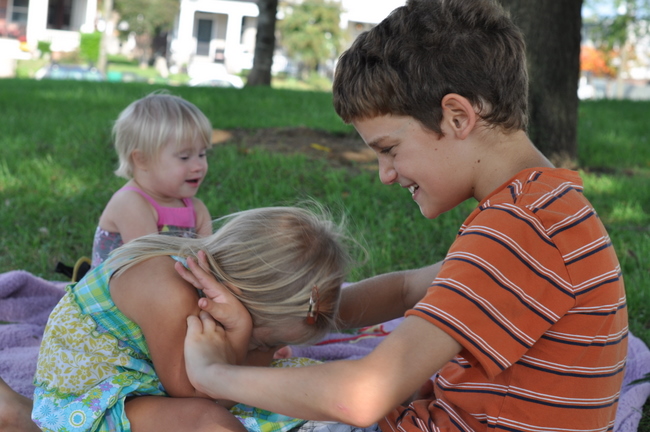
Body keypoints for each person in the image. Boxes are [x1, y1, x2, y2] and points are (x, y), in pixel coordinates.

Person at [181, 0, 629, 431]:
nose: (386, 174)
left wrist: (214, 374)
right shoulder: (545, 207)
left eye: (390, 149)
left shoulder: (518, 231)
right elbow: (409, 288)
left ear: (457, 117)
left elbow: (361, 397)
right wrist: (298, 309)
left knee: (202, 420)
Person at [30, 205, 351, 432]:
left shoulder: (215, 287)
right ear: (238, 298)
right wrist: (240, 332)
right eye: (268, 343)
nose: (271, 352)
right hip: (94, 401)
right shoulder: (170, 292)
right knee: (206, 422)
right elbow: (198, 392)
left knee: (306, 382)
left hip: (152, 383)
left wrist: (252, 345)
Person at [91, 91, 214, 268]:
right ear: (142, 159)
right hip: (121, 285)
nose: (198, 166)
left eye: (202, 154)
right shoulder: (130, 203)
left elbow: (207, 262)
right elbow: (151, 268)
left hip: (170, 283)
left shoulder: (197, 210)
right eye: (184, 157)